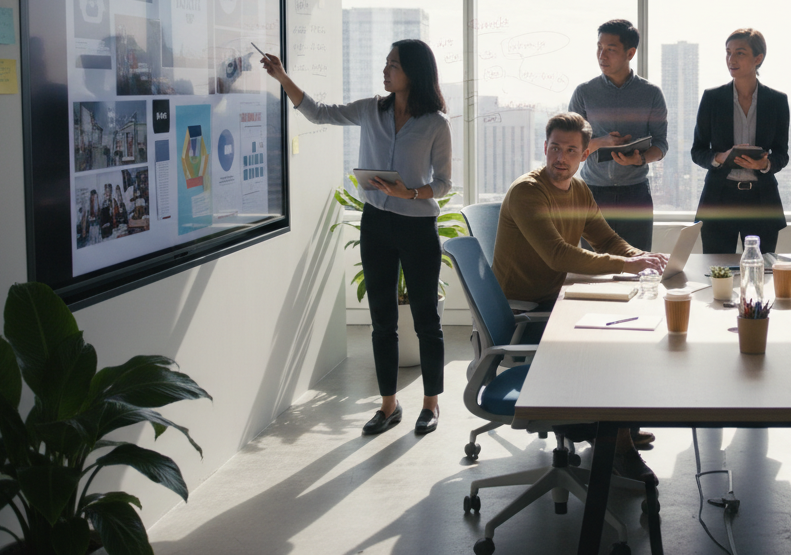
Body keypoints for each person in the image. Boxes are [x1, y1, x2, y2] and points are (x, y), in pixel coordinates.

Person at [262, 40, 452, 438]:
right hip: (376, 223)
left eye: (393, 65)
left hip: (418, 227)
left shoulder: (436, 123)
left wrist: (411, 193)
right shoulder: (371, 109)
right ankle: (388, 406)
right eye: (385, 64)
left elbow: (445, 183)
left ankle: (431, 404)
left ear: (413, 73)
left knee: (426, 321)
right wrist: (282, 77)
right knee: (382, 321)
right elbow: (318, 113)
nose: (385, 71)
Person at [493, 111, 669, 483]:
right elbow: (558, 254)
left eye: (571, 150)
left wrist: (641, 257)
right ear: (545, 147)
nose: (561, 156)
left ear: (585, 155)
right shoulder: (528, 191)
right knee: (604, 350)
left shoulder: (580, 190)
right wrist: (628, 265)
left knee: (627, 334)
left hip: (555, 300)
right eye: (555, 147)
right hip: (523, 315)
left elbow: (606, 239)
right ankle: (617, 444)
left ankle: (616, 425)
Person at [568, 19, 669, 251]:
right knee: (593, 269)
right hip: (593, 194)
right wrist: (601, 142)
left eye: (610, 49)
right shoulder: (584, 93)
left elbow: (661, 144)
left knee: (638, 265)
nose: (602, 55)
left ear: (630, 53)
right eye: (599, 47)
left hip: (635, 194)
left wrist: (640, 158)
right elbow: (570, 146)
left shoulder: (651, 94)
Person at [692, 28, 791, 254]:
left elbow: (781, 154)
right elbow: (697, 151)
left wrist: (764, 165)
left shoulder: (777, 101)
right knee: (716, 272)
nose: (731, 59)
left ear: (758, 58)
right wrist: (720, 158)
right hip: (719, 198)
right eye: (728, 53)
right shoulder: (712, 98)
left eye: (740, 53)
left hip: (761, 200)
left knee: (761, 271)